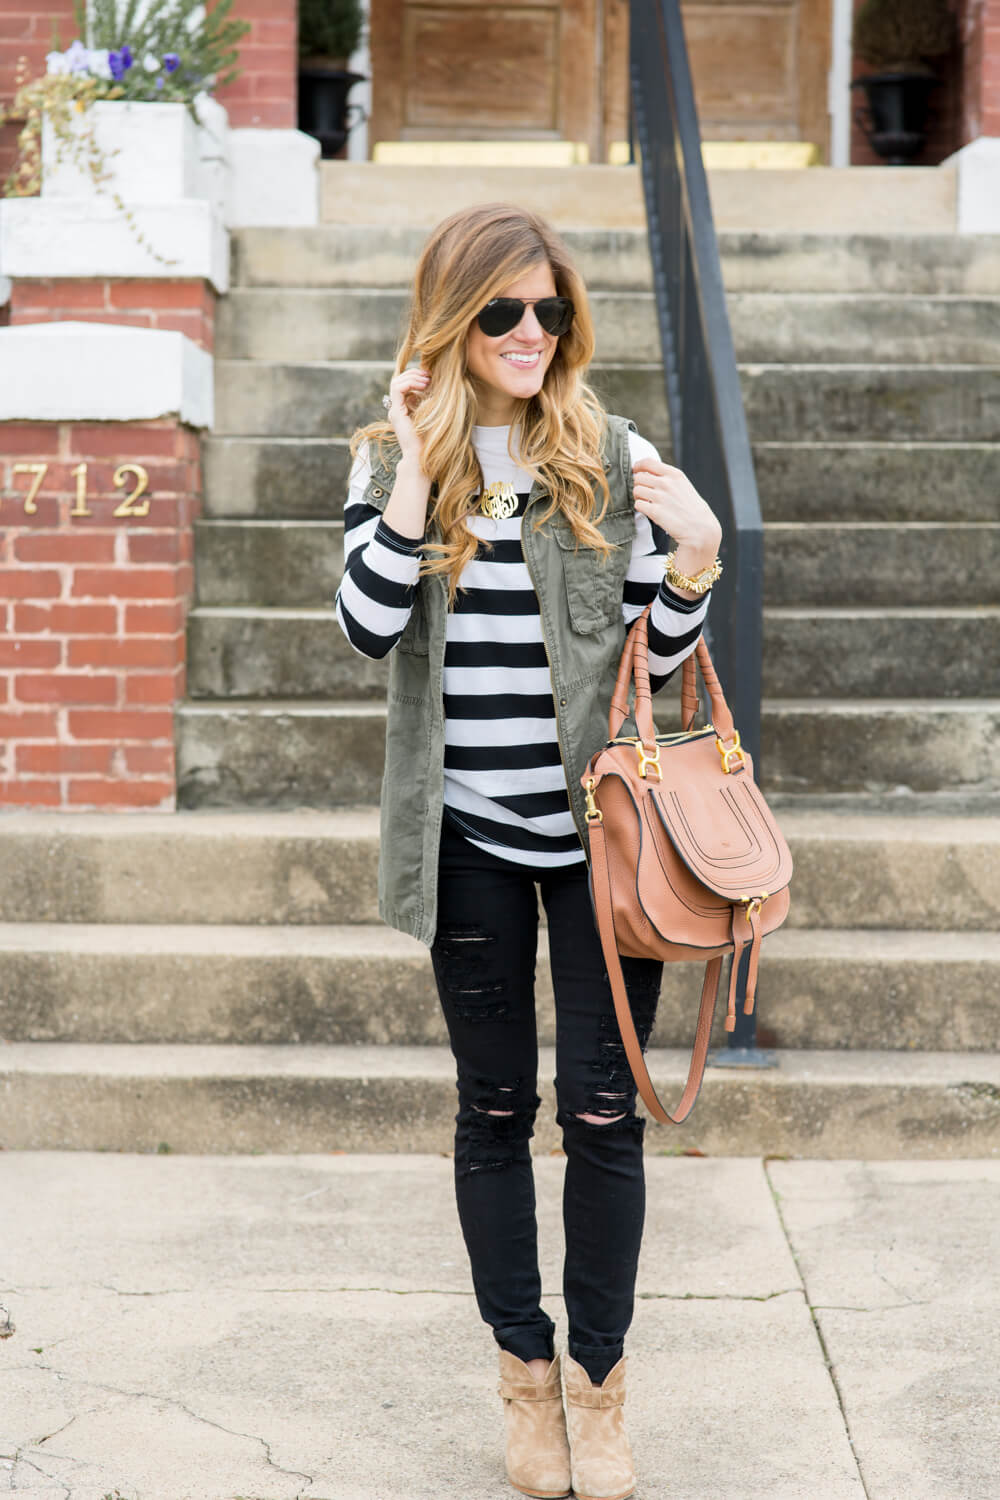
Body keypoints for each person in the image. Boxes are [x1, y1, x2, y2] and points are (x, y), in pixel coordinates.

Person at [335, 203, 722, 1500]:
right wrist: (408, 460)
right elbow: (366, 626)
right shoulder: (389, 461)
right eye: (501, 311)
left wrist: (695, 568)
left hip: (601, 850)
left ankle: (604, 1398)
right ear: (450, 321)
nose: (530, 333)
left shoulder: (605, 453)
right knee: (496, 1112)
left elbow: (647, 677)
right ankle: (527, 1384)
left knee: (604, 1117)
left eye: (549, 310)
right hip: (472, 845)